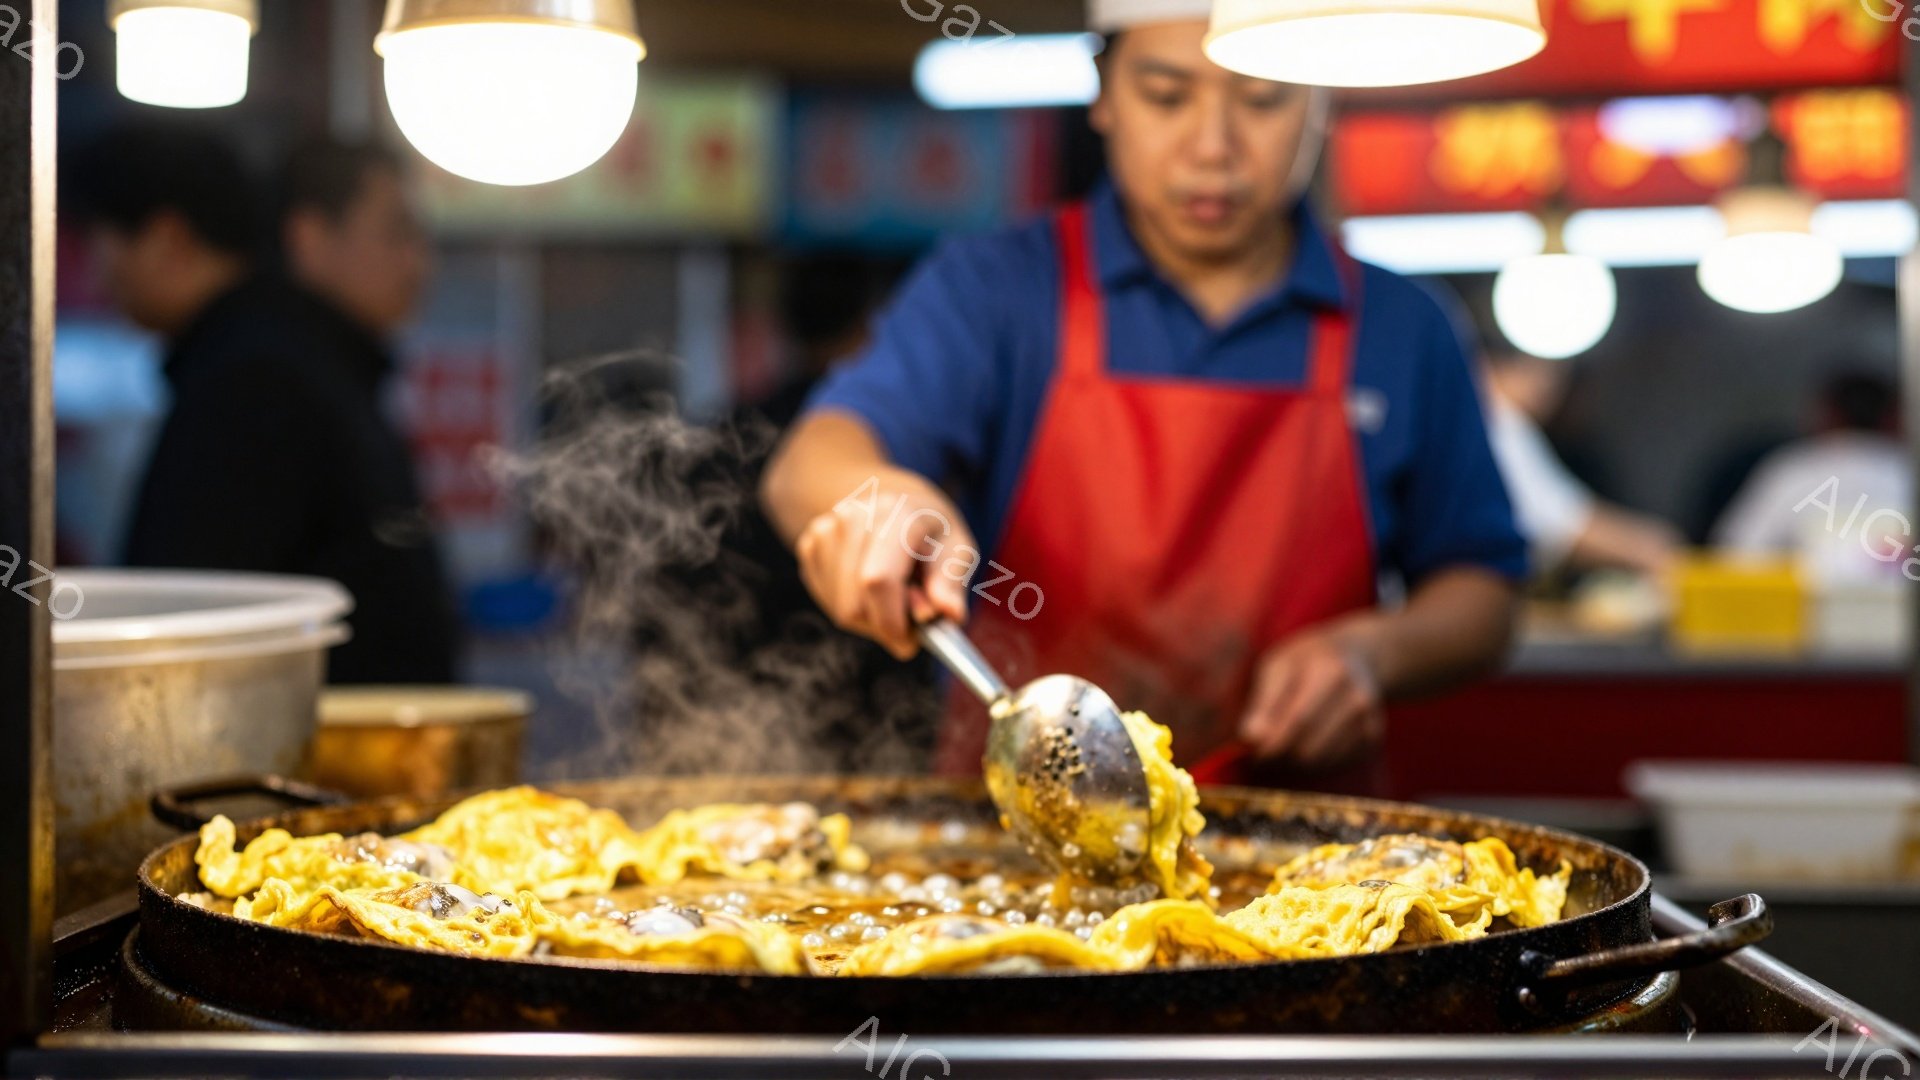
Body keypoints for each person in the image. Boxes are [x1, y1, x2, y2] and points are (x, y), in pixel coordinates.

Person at [761, 1, 1527, 787]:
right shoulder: (999, 291)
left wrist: (1372, 654)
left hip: (1314, 855)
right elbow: (809, 463)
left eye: (1262, 100)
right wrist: (885, 501)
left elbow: (1485, 593)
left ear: (1319, 99)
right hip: (1018, 841)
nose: (1212, 147)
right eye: (1166, 96)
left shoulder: (1405, 328)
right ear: (1104, 94)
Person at [66, 125, 460, 684]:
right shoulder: (277, 367)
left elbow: (184, 622)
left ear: (167, 239)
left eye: (101, 242)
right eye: (398, 234)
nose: (420, 263)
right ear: (307, 236)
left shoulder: (262, 373)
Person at [1483, 349, 1682, 578]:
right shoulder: (1500, 419)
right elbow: (1561, 524)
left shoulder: (1501, 419)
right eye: (1544, 371)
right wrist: (1652, 548)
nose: (1550, 388)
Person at [1712, 369, 1908, 583]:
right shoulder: (1906, 473)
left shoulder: (1792, 472)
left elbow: (1735, 557)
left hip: (1806, 612)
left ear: (1827, 415)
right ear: (1892, 418)